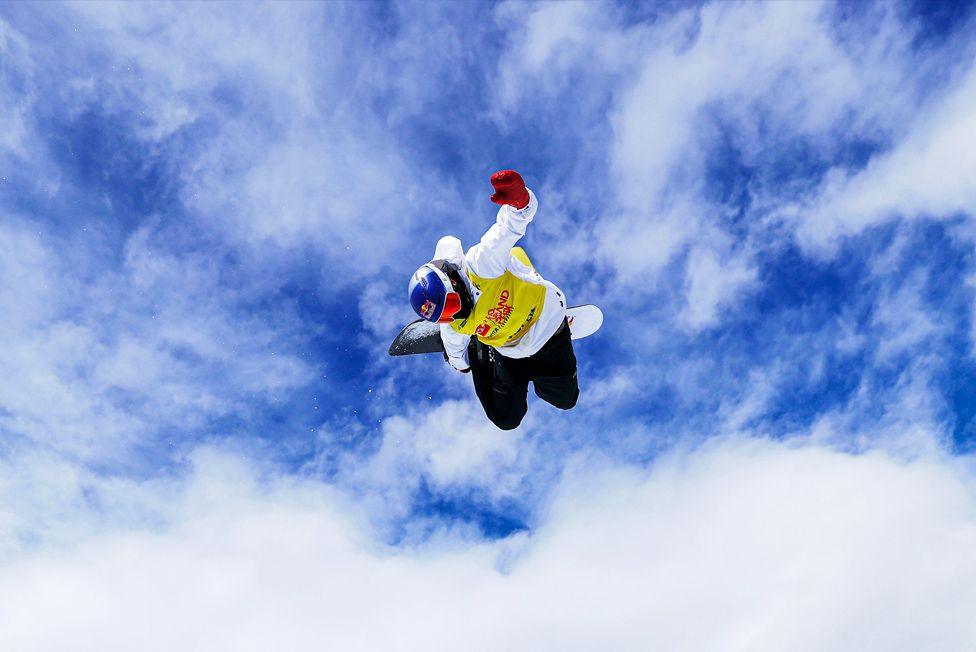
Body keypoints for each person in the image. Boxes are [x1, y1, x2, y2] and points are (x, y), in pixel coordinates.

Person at [407, 170, 579, 429]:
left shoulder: (482, 265)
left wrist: (520, 202)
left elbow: (508, 228)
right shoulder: (453, 323)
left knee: (566, 399)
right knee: (506, 419)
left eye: (452, 307)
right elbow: (453, 346)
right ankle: (480, 350)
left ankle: (492, 346)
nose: (454, 317)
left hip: (547, 334)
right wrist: (462, 365)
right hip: (506, 352)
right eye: (444, 316)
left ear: (454, 281)